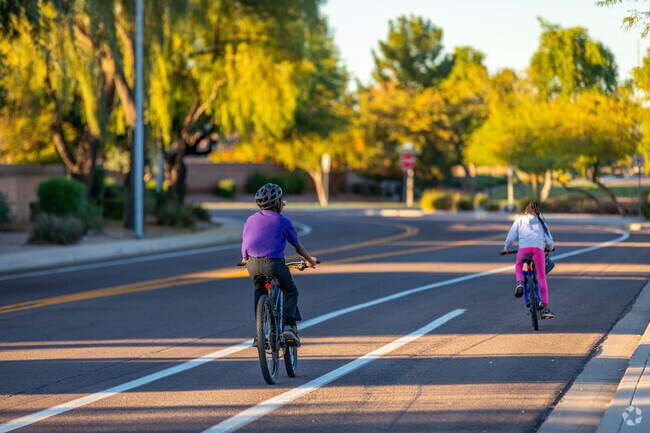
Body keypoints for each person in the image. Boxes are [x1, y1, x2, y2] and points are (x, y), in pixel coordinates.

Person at [241, 183, 318, 347]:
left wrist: (245, 258)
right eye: (282, 200)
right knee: (291, 291)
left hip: (253, 264)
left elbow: (246, 243)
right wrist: (310, 261)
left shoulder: (250, 220)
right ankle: (288, 326)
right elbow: (298, 247)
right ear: (278, 203)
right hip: (274, 264)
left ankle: (259, 334)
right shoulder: (284, 221)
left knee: (259, 291)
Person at [502, 201, 555, 319]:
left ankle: (519, 283)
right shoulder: (542, 223)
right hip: (538, 251)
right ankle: (546, 309)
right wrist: (550, 248)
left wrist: (506, 249)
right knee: (541, 277)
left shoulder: (520, 220)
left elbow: (510, 238)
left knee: (518, 265)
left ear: (526, 212)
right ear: (537, 213)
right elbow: (550, 243)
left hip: (524, 250)